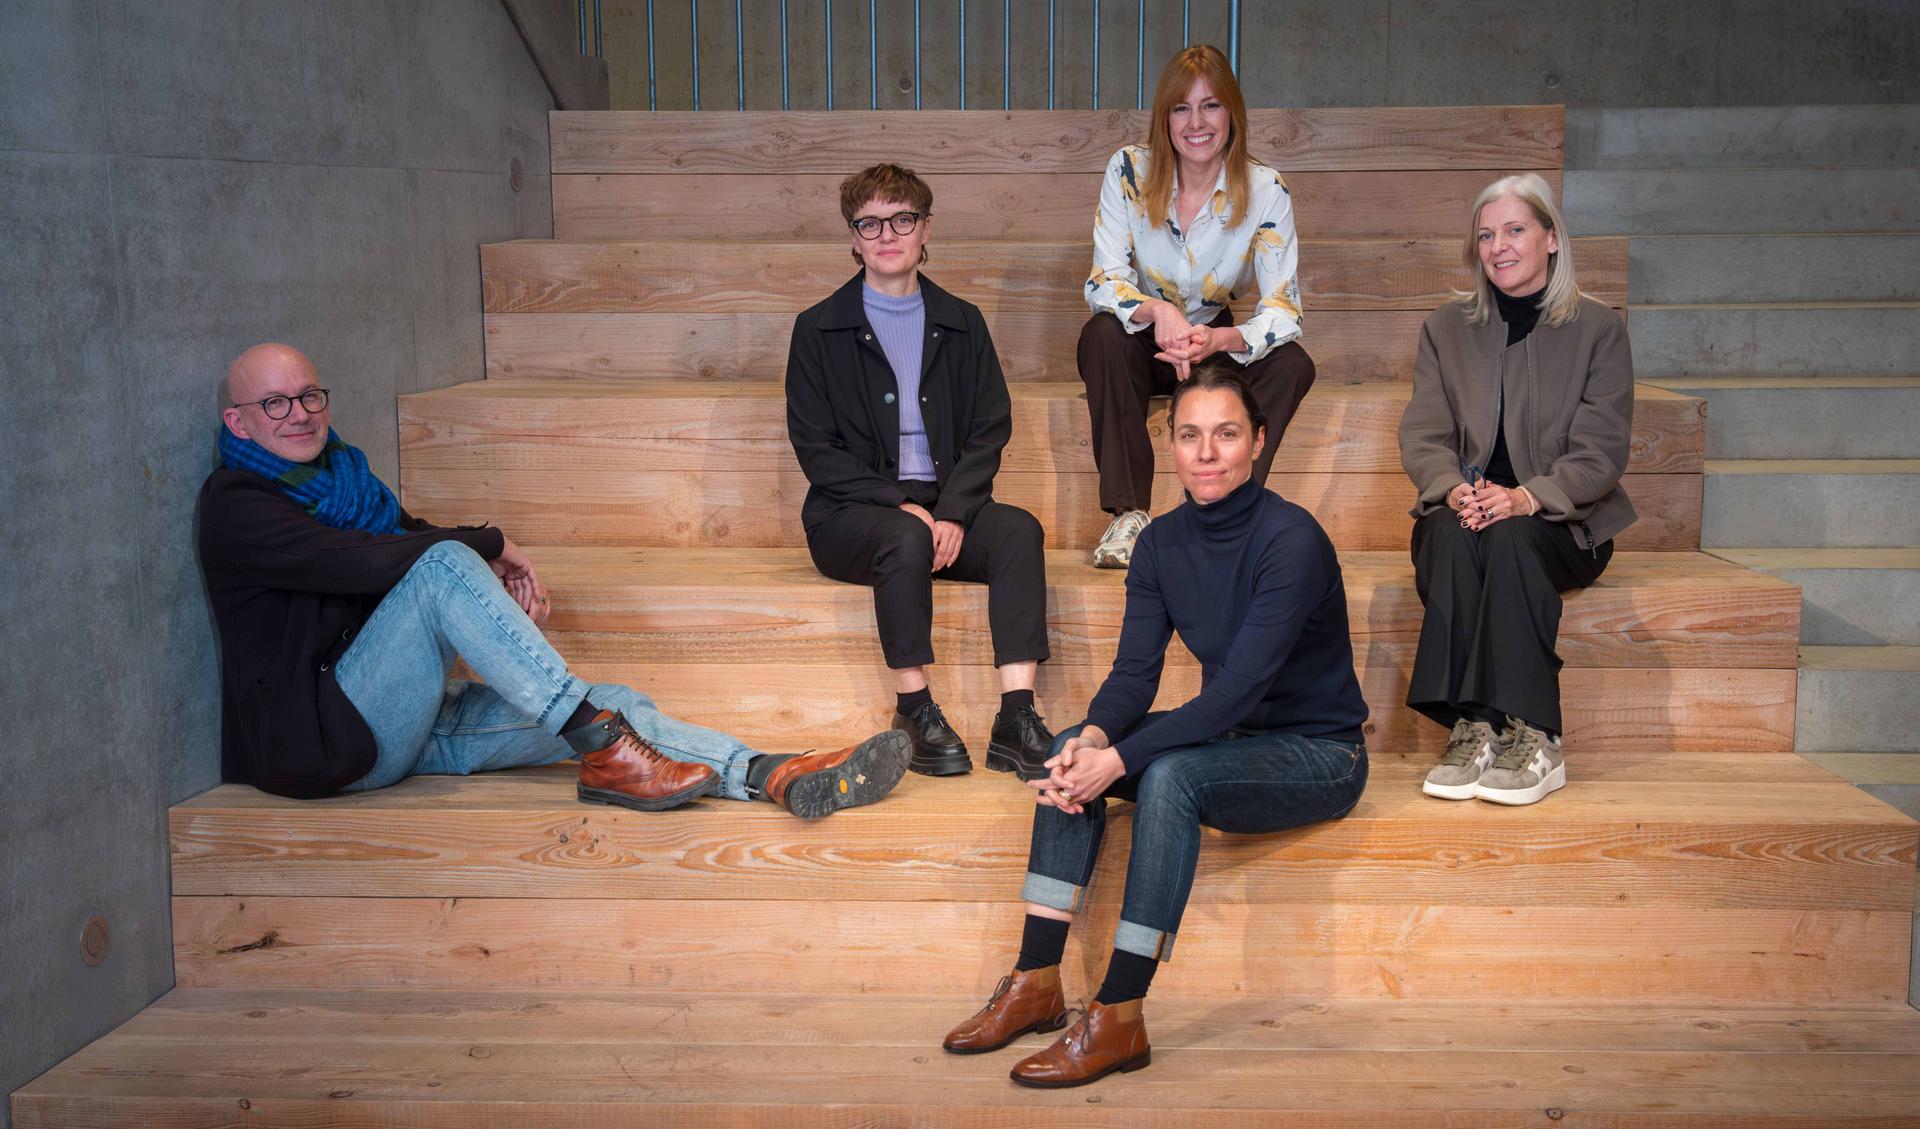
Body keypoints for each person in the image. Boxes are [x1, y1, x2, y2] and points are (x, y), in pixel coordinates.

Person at [200, 342, 909, 816]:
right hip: (328, 745)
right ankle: (600, 749)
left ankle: (769, 773)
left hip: (409, 718)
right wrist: (492, 543)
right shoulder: (235, 505)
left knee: (619, 702)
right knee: (445, 565)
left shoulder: (342, 476)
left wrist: (490, 602)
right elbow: (363, 561)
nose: (300, 414)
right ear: (238, 419)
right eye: (276, 404)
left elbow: (402, 535)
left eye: (309, 396)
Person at [942, 368, 1369, 1088]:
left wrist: (1124, 760)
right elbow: (1136, 676)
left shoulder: (1291, 540)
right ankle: (1037, 978)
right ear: (1169, 445)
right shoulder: (1161, 543)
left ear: (1258, 442)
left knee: (1169, 775)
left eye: (1227, 434)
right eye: (1190, 434)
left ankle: (1119, 1014)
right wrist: (1097, 741)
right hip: (1233, 739)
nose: (1207, 452)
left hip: (1317, 752)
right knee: (1064, 744)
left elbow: (1235, 691)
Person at [786, 164, 1055, 781]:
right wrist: (898, 505)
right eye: (870, 222)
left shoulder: (963, 321)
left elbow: (991, 425)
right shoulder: (817, 330)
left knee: (1018, 531)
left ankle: (1016, 716)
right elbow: (816, 448)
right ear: (852, 238)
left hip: (944, 506)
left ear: (925, 227)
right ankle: (914, 708)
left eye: (901, 218)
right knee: (904, 534)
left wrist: (955, 509)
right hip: (850, 518)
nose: (887, 234)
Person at [1398, 172, 1636, 807]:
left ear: (1551, 238)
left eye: (1515, 230)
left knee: (1510, 541)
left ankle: (1536, 733)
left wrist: (1527, 497)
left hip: (1562, 521)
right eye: (1485, 235)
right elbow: (1424, 435)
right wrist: (1452, 491)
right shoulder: (1446, 328)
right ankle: (1472, 725)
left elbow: (1601, 452)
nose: (1498, 246)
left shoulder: (1597, 328)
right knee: (1444, 538)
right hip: (1470, 509)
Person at [1078, 44, 1316, 569]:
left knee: (1294, 363)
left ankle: (1229, 511)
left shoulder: (1265, 188)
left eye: (1210, 106)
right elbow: (1104, 281)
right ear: (1164, 119)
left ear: (1232, 112)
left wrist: (1219, 340)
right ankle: (1127, 514)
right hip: (1144, 337)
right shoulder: (1128, 170)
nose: (1196, 122)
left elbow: (1284, 310)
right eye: (1181, 108)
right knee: (1100, 334)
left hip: (1214, 340)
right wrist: (1159, 315)